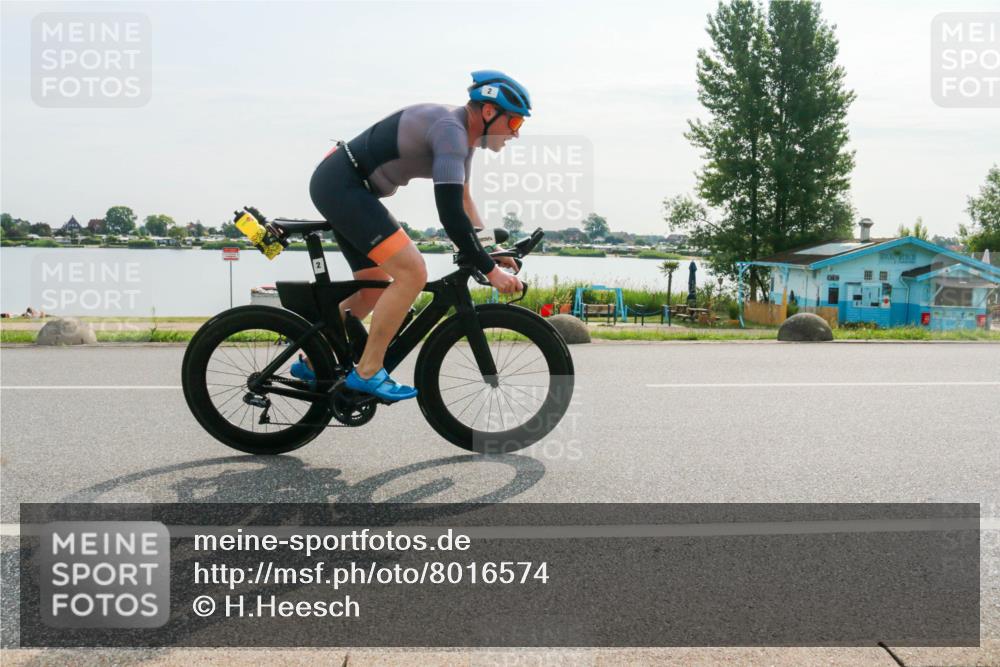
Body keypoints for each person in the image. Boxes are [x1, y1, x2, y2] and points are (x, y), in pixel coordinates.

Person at [304, 70, 529, 401]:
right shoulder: (451, 132)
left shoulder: (462, 139)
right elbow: (450, 215)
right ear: (488, 112)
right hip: (343, 185)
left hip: (346, 187)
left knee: (374, 288)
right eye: (514, 124)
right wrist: (490, 271)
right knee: (412, 272)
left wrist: (491, 250)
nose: (516, 135)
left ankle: (312, 361)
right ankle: (367, 371)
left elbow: (464, 202)